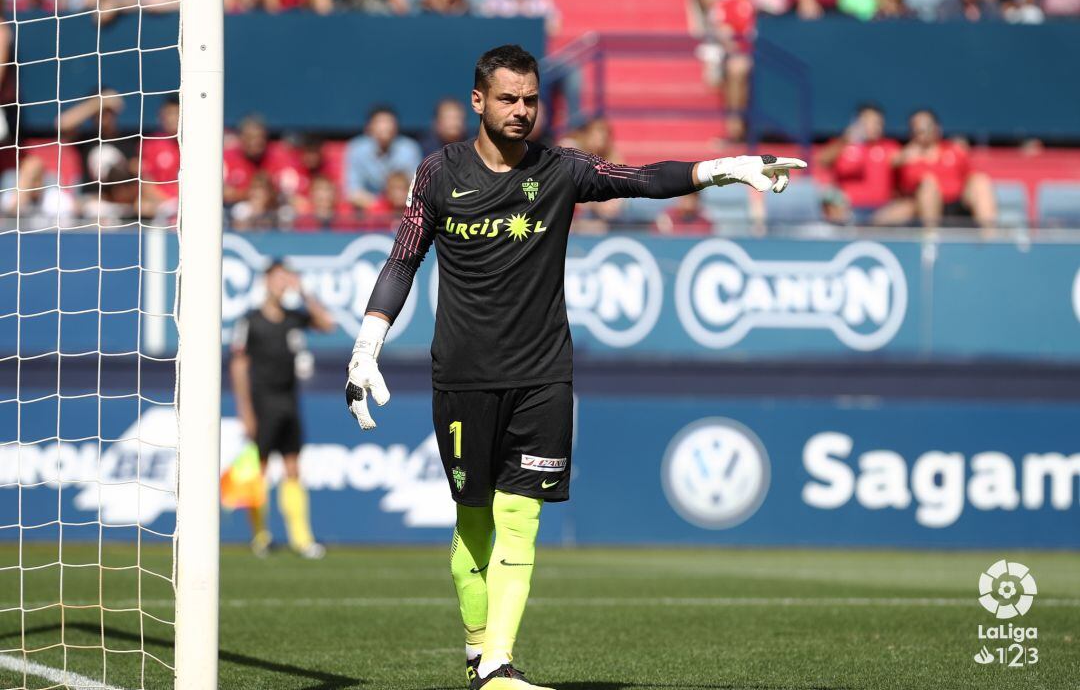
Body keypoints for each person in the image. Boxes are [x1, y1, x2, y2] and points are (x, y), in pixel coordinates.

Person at [344, 45, 804, 690]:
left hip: (543, 375)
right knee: (472, 519)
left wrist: (723, 170)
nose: (521, 110)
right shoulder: (437, 173)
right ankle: (479, 649)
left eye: (530, 99)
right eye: (507, 98)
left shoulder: (560, 168)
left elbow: (640, 179)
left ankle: (497, 664)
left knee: (521, 517)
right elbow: (402, 260)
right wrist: (366, 347)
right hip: (464, 377)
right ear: (478, 101)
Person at [230, 260, 336, 559]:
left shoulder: (293, 317)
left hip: (289, 401)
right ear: (265, 281)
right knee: (259, 469)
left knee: (293, 468)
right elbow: (239, 366)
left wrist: (303, 291)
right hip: (262, 404)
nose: (281, 283)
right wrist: (245, 411)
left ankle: (302, 539)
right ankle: (260, 537)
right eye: (276, 278)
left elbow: (327, 324)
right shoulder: (250, 321)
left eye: (285, 278)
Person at [895, 109, 997, 228]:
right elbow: (905, 189)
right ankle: (931, 240)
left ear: (937, 128)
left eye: (927, 125)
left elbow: (970, 176)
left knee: (980, 181)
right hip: (924, 207)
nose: (923, 130)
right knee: (928, 186)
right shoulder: (906, 158)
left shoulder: (954, 150)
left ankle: (990, 237)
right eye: (917, 127)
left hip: (958, 203)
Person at [818, 103, 904, 225]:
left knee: (904, 208)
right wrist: (846, 140)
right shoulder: (843, 146)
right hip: (847, 210)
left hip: (882, 212)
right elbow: (822, 160)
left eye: (879, 123)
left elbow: (904, 158)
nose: (875, 127)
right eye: (869, 121)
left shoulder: (889, 147)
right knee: (828, 196)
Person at [344, 105, 422, 211]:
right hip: (367, 212)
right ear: (369, 127)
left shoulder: (410, 149)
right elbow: (351, 191)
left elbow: (416, 189)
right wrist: (380, 206)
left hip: (403, 211)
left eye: (389, 122)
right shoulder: (356, 149)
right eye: (379, 122)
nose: (384, 126)